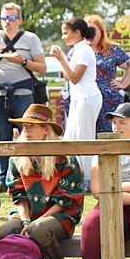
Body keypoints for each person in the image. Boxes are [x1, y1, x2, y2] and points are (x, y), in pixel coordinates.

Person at [0, 104, 84, 259]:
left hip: (61, 214)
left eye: (32, 126)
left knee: (39, 229)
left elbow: (66, 199)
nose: (26, 130)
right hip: (28, 213)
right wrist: (26, 220)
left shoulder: (66, 157)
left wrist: (36, 222)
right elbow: (18, 195)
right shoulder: (17, 158)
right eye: (24, 126)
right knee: (4, 231)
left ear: (46, 129)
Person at [0, 2, 46, 189]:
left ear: (19, 20)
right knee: (2, 139)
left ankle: (30, 176)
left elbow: (42, 67)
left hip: (23, 93)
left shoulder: (30, 38)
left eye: (11, 18)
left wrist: (23, 61)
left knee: (30, 135)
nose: (7, 22)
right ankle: (4, 180)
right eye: (3, 18)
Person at [81, 103, 130, 259]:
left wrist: (116, 187)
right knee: (92, 222)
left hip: (121, 198)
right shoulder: (104, 147)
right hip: (116, 199)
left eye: (122, 122)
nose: (116, 127)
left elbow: (107, 187)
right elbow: (99, 190)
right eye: (114, 123)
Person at [49, 17, 100, 178]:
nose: (63, 37)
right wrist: (64, 59)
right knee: (70, 137)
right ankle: (72, 176)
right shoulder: (78, 50)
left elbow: (75, 77)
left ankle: (87, 179)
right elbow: (67, 75)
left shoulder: (84, 50)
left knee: (84, 139)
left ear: (77, 32)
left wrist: (61, 58)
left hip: (87, 97)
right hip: (79, 99)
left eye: (65, 33)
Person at [86, 15, 130, 134]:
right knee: (87, 133)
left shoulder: (112, 49)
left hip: (108, 100)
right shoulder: (79, 50)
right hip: (87, 97)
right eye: (88, 30)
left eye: (94, 29)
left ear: (101, 32)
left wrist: (123, 84)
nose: (91, 33)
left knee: (109, 132)